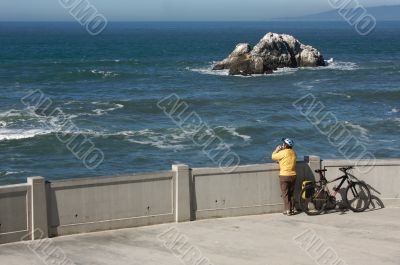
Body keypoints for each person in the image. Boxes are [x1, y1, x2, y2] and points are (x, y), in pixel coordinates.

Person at [271, 138, 297, 216]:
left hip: (284, 176)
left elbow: (273, 156)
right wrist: (281, 161)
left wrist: (277, 149)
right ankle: (292, 209)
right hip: (293, 175)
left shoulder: (282, 152)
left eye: (283, 144)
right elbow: (288, 160)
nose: (282, 145)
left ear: (285, 145)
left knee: (285, 194)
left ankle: (287, 210)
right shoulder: (294, 153)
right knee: (291, 193)